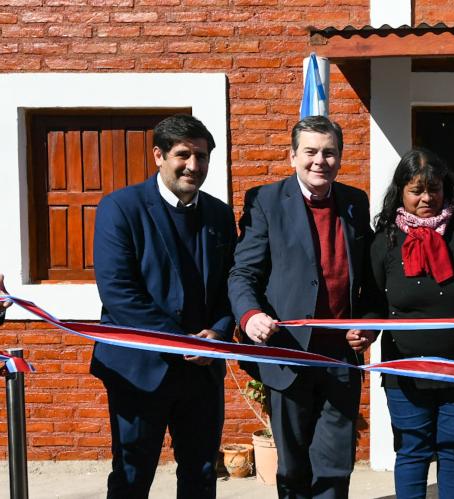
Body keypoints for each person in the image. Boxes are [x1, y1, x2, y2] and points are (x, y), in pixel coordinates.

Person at [228, 116, 375, 499]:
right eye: (310, 151)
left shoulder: (356, 203)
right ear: (292, 155)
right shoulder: (266, 200)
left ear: (340, 157)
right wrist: (250, 316)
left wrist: (369, 326)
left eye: (329, 152)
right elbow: (243, 274)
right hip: (288, 354)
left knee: (335, 467)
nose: (319, 161)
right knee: (293, 470)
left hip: (340, 360)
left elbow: (371, 281)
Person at [90, 114, 236, 498]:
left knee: (202, 475)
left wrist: (218, 332)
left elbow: (229, 287)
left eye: (202, 156)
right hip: (139, 371)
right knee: (132, 476)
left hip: (201, 376)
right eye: (183, 154)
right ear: (158, 155)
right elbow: (119, 293)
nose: (194, 165)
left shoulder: (220, 215)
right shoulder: (121, 208)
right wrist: (184, 342)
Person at [354, 147, 454, 499]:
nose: (426, 198)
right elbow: (373, 304)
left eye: (433, 189)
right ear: (400, 192)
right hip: (406, 370)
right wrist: (366, 331)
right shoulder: (384, 241)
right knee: (413, 452)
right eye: (416, 190)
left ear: (446, 189)